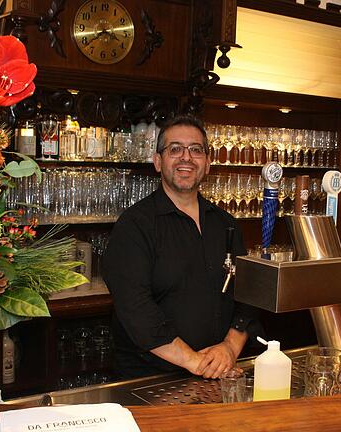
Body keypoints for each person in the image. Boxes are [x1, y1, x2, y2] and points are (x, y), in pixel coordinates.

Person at [102, 115, 260, 379]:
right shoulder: (134, 225)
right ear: (158, 161)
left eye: (196, 150)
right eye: (175, 149)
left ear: (207, 164)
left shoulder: (226, 224)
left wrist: (229, 348)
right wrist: (195, 361)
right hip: (150, 379)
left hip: (219, 370)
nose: (186, 157)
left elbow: (246, 294)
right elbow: (135, 307)